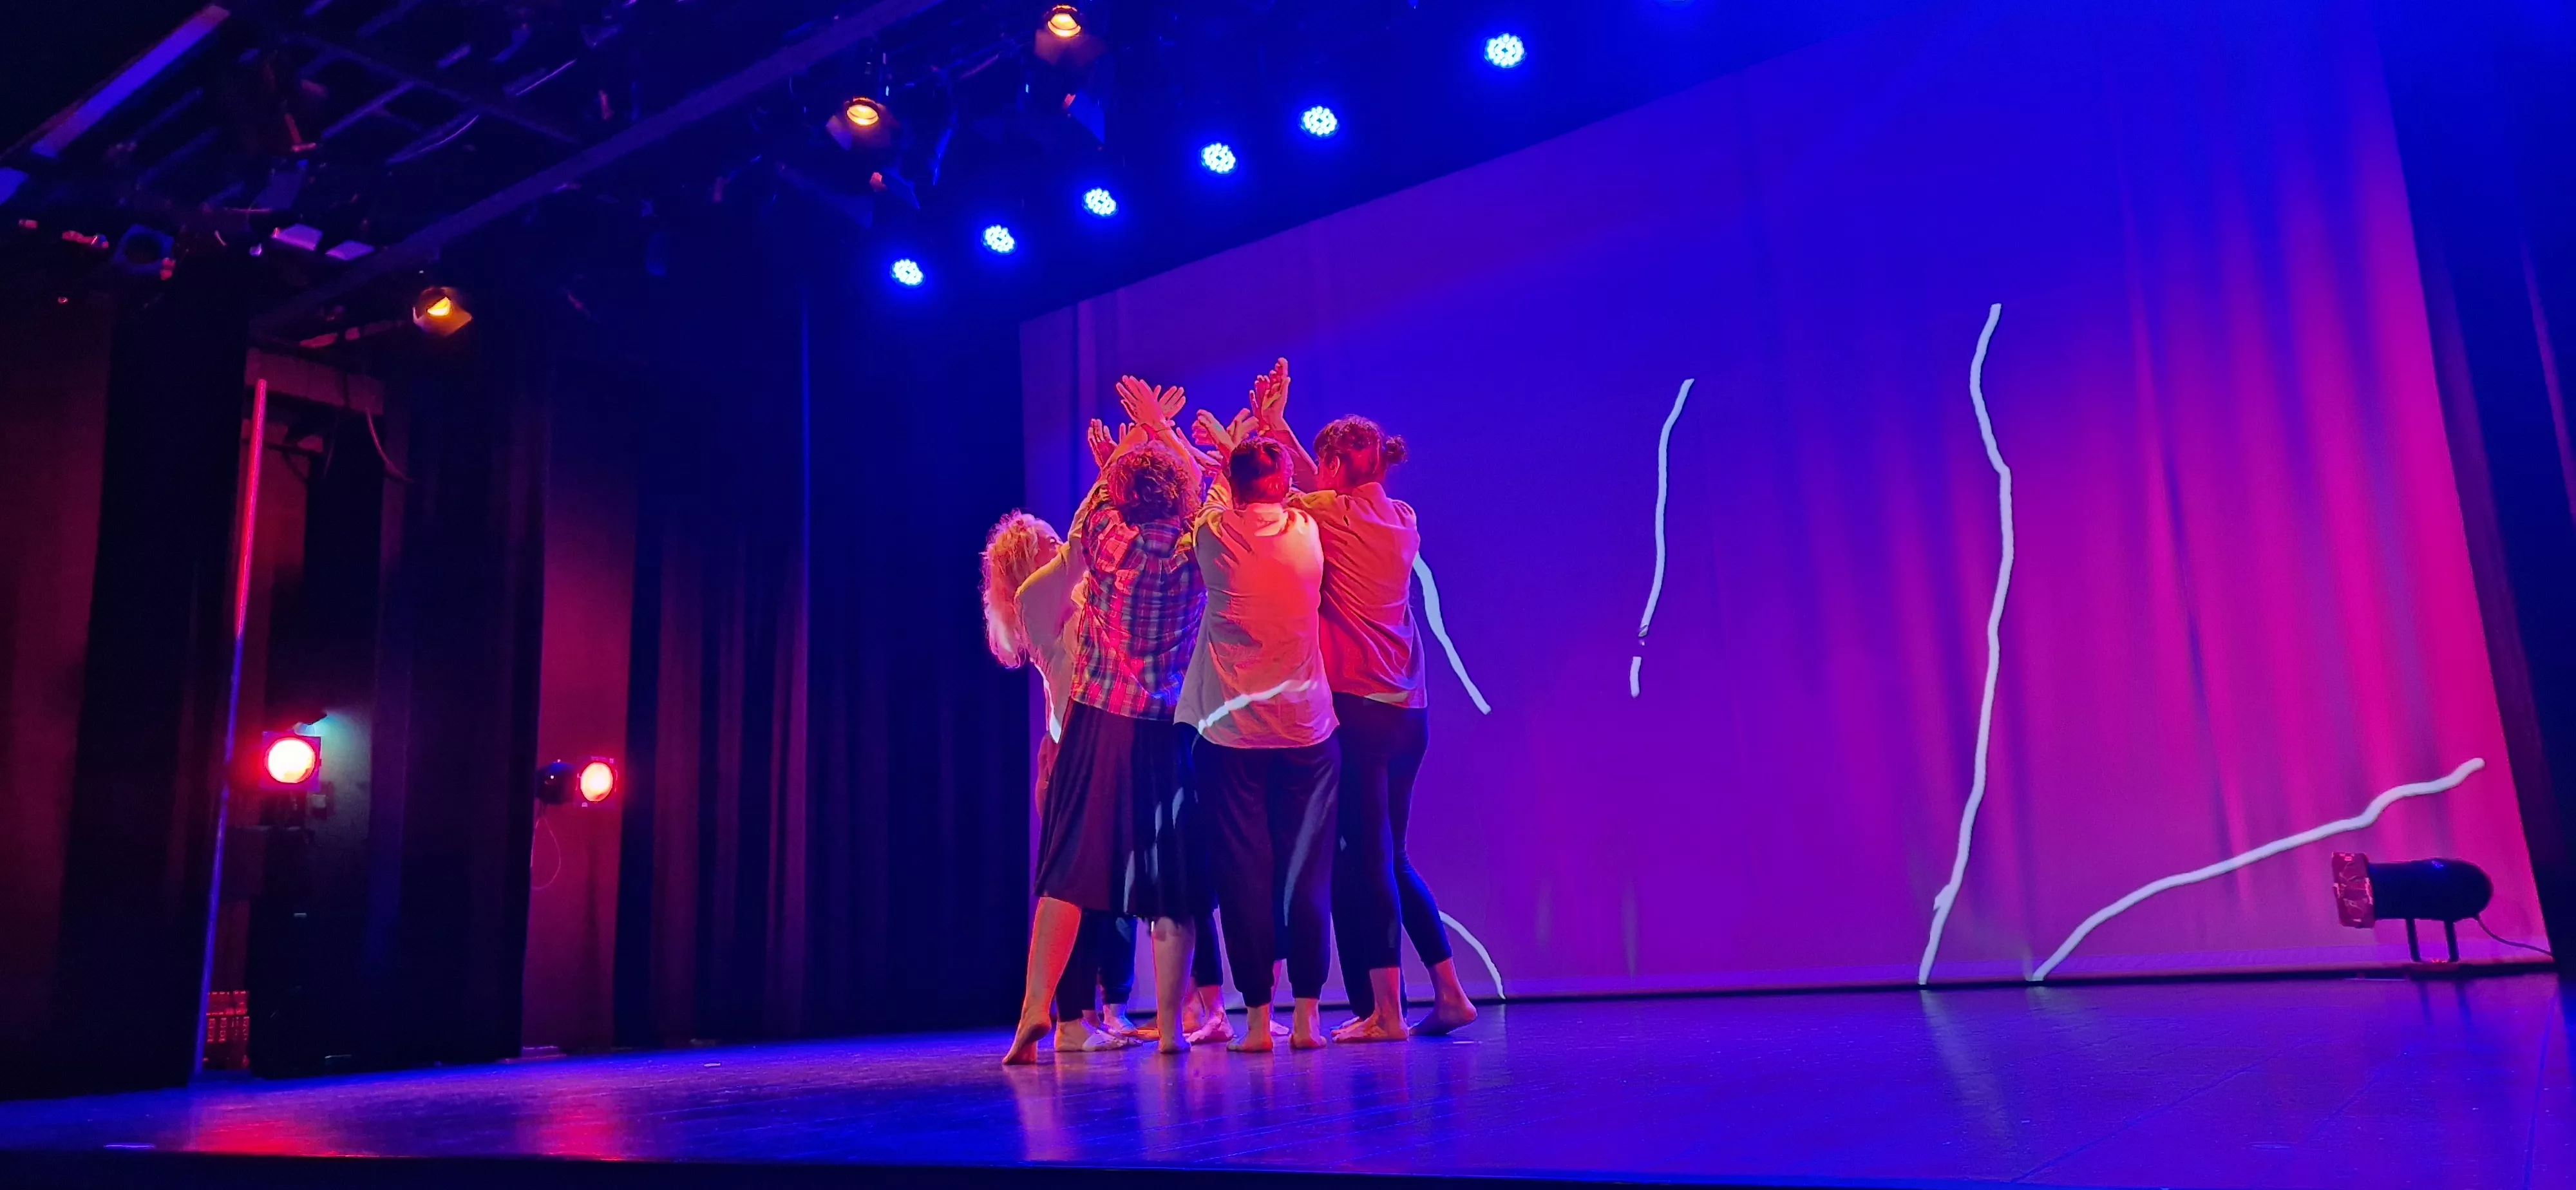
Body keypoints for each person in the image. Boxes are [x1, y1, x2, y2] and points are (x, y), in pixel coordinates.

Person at [1248, 359, 1477, 1040]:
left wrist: (1268, 428)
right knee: (1392, 854)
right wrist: (1281, 426)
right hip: (1410, 716)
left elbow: (1277, 491)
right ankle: (1448, 992)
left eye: (1322, 465)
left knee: (1368, 857)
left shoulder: (1331, 515)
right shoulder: (1401, 518)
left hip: (1361, 714)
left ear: (1336, 469)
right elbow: (1315, 482)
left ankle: (1384, 1012)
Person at [1003, 383, 1214, 1065]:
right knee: (1171, 888)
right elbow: (1209, 492)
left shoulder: (1106, 540)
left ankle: (1037, 1010)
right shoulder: (1194, 556)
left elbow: (1088, 510)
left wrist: (1129, 442)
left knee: (1065, 871)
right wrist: (1165, 433)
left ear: (1121, 498)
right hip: (1160, 730)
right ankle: (1174, 1029)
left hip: (1095, 724)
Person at [1176, 413, 1340, 1053]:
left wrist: (1216, 454)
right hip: (1306, 732)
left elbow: (1223, 493)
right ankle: (1306, 1017)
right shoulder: (1306, 530)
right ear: (1281, 484)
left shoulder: (1215, 534)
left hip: (1233, 737)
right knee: (1307, 873)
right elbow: (1292, 487)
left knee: (1243, 873)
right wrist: (1254, 437)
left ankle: (1255, 1022)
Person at [983, 509, 1148, 1053]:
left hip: (1071, 752)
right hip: (1076, 753)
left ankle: (1076, 1021)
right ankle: (1072, 1024)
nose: (1061, 550)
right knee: (1076, 890)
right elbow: (1083, 546)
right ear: (1031, 564)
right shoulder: (1047, 601)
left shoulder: (1060, 601)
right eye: (1049, 545)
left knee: (1087, 893)